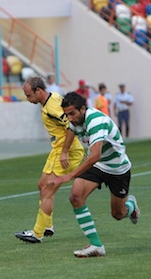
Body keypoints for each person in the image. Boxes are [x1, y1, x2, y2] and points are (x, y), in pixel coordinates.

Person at [50, 91, 141, 258]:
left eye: (72, 113)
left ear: (83, 109)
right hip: (98, 165)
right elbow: (71, 130)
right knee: (76, 197)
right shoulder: (75, 119)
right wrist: (64, 152)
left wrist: (69, 176)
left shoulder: (96, 121)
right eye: (66, 114)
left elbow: (95, 155)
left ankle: (131, 207)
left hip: (116, 168)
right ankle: (96, 245)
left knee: (118, 214)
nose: (69, 118)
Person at [15, 76, 85, 243]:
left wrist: (65, 152)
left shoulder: (52, 106)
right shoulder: (51, 98)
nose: (28, 99)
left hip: (67, 150)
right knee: (42, 185)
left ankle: (37, 233)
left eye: (29, 95)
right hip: (58, 149)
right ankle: (48, 226)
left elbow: (71, 125)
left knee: (47, 189)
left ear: (38, 91)